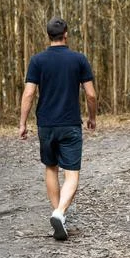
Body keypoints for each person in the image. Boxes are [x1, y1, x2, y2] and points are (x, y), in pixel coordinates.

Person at [19, 17, 96, 241]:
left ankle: (57, 216)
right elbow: (90, 94)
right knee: (72, 174)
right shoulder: (78, 59)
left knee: (51, 168)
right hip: (70, 124)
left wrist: (23, 123)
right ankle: (60, 213)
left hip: (45, 124)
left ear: (48, 35)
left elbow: (29, 94)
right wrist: (92, 117)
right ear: (66, 34)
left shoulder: (37, 60)